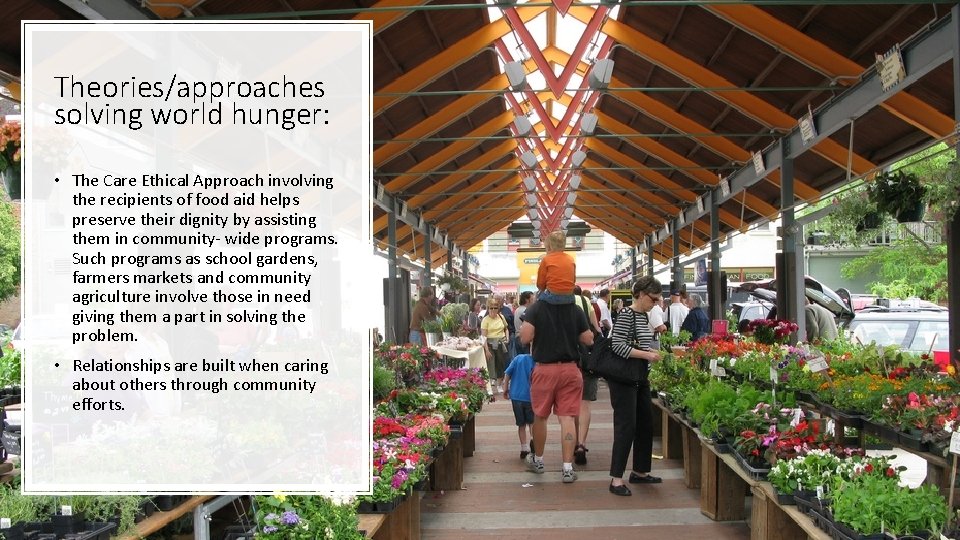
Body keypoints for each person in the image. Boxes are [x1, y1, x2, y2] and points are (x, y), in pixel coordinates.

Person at [518, 289, 593, 484]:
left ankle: (538, 461)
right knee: (567, 417)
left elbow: (524, 337)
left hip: (544, 369)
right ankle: (567, 469)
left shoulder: (536, 308)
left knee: (540, 416)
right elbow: (588, 339)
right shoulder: (575, 309)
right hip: (570, 370)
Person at [608, 276, 664, 496]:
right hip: (624, 378)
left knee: (645, 424)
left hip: (640, 376)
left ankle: (640, 471)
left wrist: (648, 353)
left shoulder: (643, 315)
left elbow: (637, 344)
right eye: (653, 299)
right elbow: (617, 346)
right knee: (626, 426)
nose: (655, 303)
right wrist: (647, 355)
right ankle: (616, 479)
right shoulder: (626, 314)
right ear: (640, 294)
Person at [573, 285, 602, 466]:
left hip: (569, 359)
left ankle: (573, 441)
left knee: (571, 404)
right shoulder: (585, 301)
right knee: (585, 404)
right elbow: (596, 330)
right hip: (588, 360)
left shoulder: (561, 303)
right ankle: (582, 444)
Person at [503, 353, 535, 460]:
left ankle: (523, 448)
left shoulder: (517, 359)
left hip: (516, 396)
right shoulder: (535, 361)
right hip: (530, 396)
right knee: (532, 423)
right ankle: (533, 440)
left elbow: (507, 373)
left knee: (521, 424)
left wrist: (505, 388)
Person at [536, 230, 576, 304]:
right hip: (570, 297)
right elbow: (573, 280)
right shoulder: (571, 259)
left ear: (549, 247)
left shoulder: (546, 259)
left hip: (553, 297)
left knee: (538, 296)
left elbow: (540, 284)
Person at [481, 298, 511, 390]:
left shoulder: (501, 317)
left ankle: (499, 385)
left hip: (501, 343)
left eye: (495, 308)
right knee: (491, 363)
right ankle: (490, 385)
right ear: (488, 308)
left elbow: (506, 328)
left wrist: (507, 338)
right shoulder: (485, 320)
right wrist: (486, 350)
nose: (493, 310)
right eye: (491, 308)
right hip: (490, 344)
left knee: (500, 364)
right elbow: (483, 337)